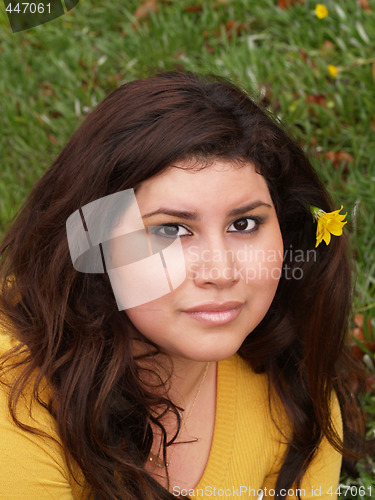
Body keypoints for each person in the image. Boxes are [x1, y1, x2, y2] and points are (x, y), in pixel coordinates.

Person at [0, 71, 364, 500]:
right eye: (171, 230)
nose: (221, 271)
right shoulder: (14, 389)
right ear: (94, 243)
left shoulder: (294, 389)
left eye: (244, 224)